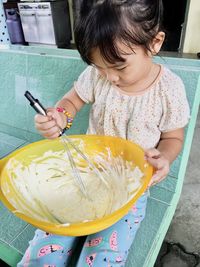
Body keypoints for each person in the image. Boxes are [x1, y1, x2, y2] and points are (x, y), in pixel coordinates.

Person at [18, 0, 190, 266]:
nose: (108, 77)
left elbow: (174, 137)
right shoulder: (96, 75)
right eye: (99, 66)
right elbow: (73, 100)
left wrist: (164, 157)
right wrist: (59, 117)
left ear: (154, 43)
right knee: (47, 244)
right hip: (84, 174)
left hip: (131, 189)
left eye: (119, 67)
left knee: (103, 258)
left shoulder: (169, 90)